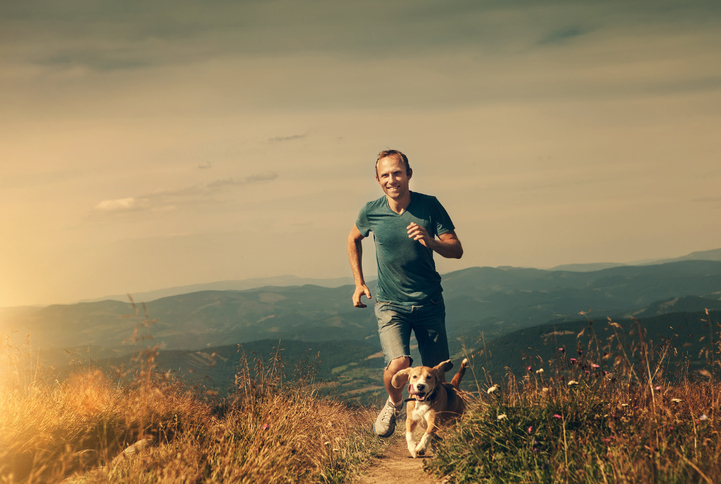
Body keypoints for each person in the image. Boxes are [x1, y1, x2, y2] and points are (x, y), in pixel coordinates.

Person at [347, 149, 463, 437]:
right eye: (385, 175)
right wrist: (359, 282)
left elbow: (457, 249)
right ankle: (395, 403)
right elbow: (353, 238)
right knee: (399, 364)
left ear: (408, 174)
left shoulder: (429, 206)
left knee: (437, 373)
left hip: (429, 302)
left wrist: (431, 241)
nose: (392, 179)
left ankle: (434, 431)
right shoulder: (371, 211)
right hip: (390, 303)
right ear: (378, 179)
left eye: (397, 173)